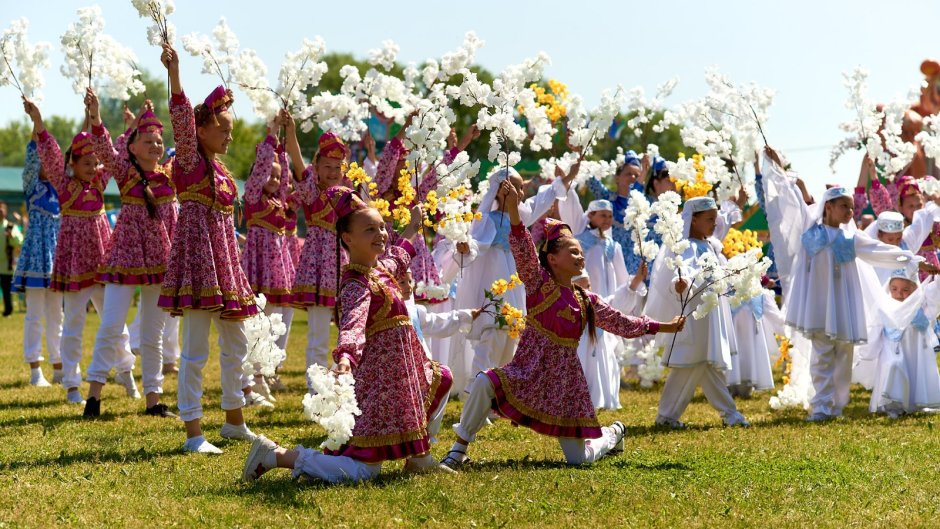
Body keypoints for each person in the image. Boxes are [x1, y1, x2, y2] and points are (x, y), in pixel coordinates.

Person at [439, 182, 685, 469]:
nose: (580, 257)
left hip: (565, 385)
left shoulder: (586, 300)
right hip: (527, 372)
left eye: (581, 252)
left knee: (579, 461)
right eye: (573, 252)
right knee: (484, 382)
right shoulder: (537, 284)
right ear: (552, 259)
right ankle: (458, 450)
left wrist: (665, 327)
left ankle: (612, 434)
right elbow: (522, 247)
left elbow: (621, 322)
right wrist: (513, 212)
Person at [242, 186, 452, 483]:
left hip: (400, 380)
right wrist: (345, 359)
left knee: (440, 378)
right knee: (364, 471)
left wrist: (415, 223)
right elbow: (352, 324)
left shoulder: (381, 269)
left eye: (382, 227)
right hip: (378, 390)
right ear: (348, 239)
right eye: (370, 230)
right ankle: (278, 456)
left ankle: (420, 458)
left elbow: (400, 253)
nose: (380, 234)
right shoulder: (356, 282)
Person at [159, 44, 259, 453]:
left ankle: (234, 420)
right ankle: (193, 432)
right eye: (223, 128)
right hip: (199, 262)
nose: (229, 134)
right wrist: (176, 72)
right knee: (196, 348)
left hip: (225, 263)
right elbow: (181, 116)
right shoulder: (189, 160)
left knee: (235, 343)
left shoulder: (220, 170)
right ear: (201, 130)